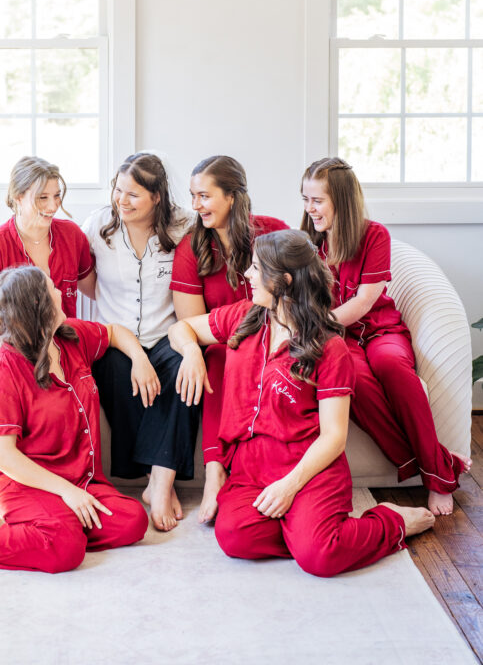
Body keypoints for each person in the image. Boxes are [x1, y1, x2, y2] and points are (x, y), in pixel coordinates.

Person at [168, 229, 436, 575]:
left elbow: (333, 437)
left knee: (320, 558)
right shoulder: (244, 317)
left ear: (284, 281)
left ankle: (391, 521)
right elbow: (181, 329)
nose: (246, 275)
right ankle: (312, 532)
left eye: (255, 268)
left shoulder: (330, 348)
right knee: (234, 537)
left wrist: (290, 486)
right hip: (251, 467)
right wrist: (191, 351)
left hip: (307, 467)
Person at [0, 265, 149, 571]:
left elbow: (114, 332)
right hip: (25, 484)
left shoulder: (69, 337)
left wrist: (140, 359)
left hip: (79, 479)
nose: (59, 292)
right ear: (38, 308)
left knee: (133, 520)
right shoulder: (5, 371)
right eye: (52, 288)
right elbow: (4, 457)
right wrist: (66, 492)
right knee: (66, 548)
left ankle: (32, 530)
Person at [301, 156, 472, 515]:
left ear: (342, 201)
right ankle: (439, 465)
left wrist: (319, 322)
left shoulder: (374, 234)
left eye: (317, 200)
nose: (310, 209)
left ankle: (436, 479)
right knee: (355, 380)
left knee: (393, 368)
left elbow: (365, 301)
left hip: (381, 330)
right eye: (305, 199)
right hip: (340, 339)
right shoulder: (307, 246)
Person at [82, 152, 199, 532]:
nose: (122, 201)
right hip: (117, 338)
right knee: (116, 371)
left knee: (185, 371)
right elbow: (86, 283)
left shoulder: (185, 226)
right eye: (118, 191)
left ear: (157, 197)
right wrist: (133, 352)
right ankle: (156, 475)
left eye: (133, 195)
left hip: (167, 333)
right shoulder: (98, 226)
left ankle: (160, 482)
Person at [170, 155, 288, 523]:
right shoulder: (191, 248)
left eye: (204, 196)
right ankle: (215, 469)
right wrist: (191, 350)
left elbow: (301, 291)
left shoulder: (271, 233)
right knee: (221, 357)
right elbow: (191, 322)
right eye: (192, 196)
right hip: (223, 339)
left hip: (277, 335)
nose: (195, 205)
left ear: (232, 196)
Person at [0, 156, 95, 369]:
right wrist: (14, 354)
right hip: (11, 345)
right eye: (43, 198)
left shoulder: (72, 235)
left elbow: (97, 291)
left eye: (57, 196)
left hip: (61, 342)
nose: (53, 206)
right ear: (18, 197)